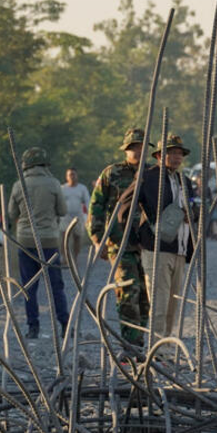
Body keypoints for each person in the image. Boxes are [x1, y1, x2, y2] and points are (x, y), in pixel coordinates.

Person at [129, 134, 198, 341]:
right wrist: (135, 239)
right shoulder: (148, 177)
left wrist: (191, 213)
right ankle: (155, 348)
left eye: (179, 154)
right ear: (159, 155)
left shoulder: (184, 181)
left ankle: (165, 348)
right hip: (156, 248)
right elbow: (127, 206)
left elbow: (194, 207)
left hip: (180, 248)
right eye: (172, 153)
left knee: (172, 306)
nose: (176, 157)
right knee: (158, 304)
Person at [90, 128, 151, 350]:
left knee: (146, 297)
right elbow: (96, 206)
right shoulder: (111, 173)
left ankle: (141, 341)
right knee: (127, 292)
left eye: (142, 146)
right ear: (126, 149)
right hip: (119, 243)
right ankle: (130, 344)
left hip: (147, 245)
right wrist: (98, 240)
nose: (138, 151)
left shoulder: (153, 173)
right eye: (134, 146)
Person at [7, 147, 68, 340]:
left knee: (28, 286)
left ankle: (33, 326)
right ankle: (64, 324)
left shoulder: (19, 185)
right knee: (55, 285)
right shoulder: (54, 183)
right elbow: (63, 211)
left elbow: (11, 214)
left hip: (26, 241)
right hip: (49, 240)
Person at [61, 167, 91, 265]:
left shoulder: (82, 188)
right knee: (64, 237)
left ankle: (75, 257)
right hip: (66, 216)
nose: (72, 177)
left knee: (77, 237)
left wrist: (89, 214)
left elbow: (87, 201)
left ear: (77, 176)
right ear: (66, 177)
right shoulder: (63, 188)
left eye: (73, 174)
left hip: (78, 216)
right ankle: (65, 257)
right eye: (70, 175)